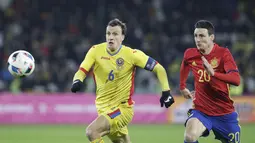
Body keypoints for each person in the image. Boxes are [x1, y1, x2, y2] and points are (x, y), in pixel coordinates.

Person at [71, 18, 174, 143]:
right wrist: (77, 81)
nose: (111, 37)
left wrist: (166, 91)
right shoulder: (95, 51)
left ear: (122, 37)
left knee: (92, 132)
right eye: (108, 33)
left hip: (122, 110)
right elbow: (82, 70)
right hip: (103, 110)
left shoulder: (131, 54)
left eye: (115, 34)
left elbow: (159, 68)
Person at [179, 20, 241, 143]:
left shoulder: (223, 54)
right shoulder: (190, 54)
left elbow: (236, 80)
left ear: (211, 37)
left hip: (224, 113)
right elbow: (185, 64)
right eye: (195, 36)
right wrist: (182, 86)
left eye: (202, 36)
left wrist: (214, 74)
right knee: (189, 137)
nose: (198, 39)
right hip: (201, 111)